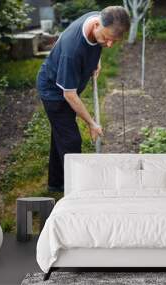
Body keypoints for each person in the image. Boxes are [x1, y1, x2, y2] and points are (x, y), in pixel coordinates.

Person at [36, 6, 130, 193]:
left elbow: (97, 44)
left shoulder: (100, 20)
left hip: (67, 86)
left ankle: (55, 183)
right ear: (96, 25)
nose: (109, 45)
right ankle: (78, 192)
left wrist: (96, 59)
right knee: (70, 142)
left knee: (61, 135)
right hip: (54, 92)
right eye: (106, 39)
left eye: (114, 41)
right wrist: (92, 123)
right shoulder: (72, 49)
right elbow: (69, 95)